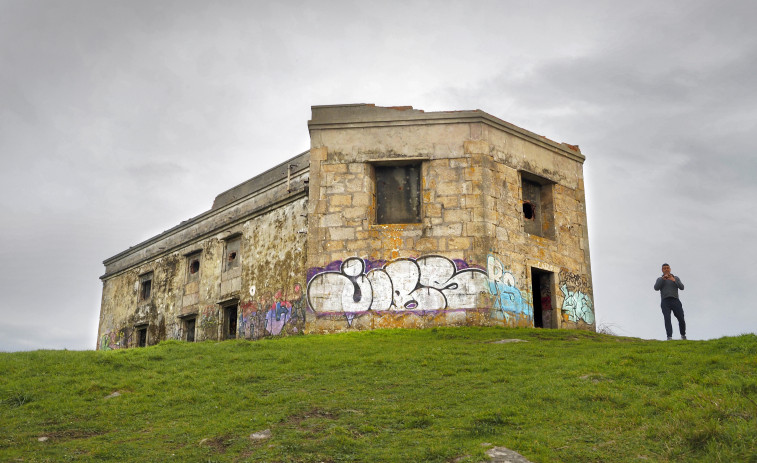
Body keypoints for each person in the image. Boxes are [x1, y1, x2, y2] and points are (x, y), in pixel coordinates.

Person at [654, 263, 686, 340]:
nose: (666, 269)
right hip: (665, 301)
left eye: (667, 268)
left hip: (675, 300)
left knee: (681, 318)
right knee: (667, 318)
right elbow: (656, 288)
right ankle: (669, 337)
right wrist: (662, 279)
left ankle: (683, 335)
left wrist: (674, 280)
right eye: (664, 268)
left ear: (670, 269)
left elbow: (682, 287)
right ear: (662, 270)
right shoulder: (659, 279)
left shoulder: (676, 278)